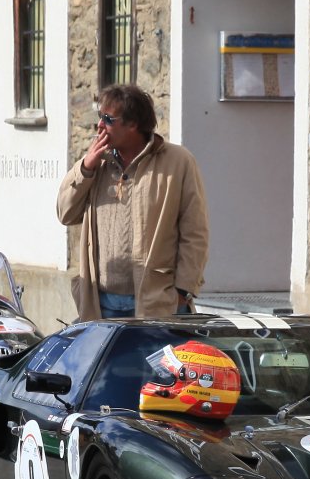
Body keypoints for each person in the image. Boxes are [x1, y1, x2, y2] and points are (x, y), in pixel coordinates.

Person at [56, 84, 209, 321]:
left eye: (108, 119)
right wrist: (85, 169)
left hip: (157, 303)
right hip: (101, 305)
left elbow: (195, 232)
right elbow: (65, 214)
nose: (99, 126)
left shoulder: (178, 162)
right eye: (99, 116)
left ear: (133, 124)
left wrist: (183, 291)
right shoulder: (97, 163)